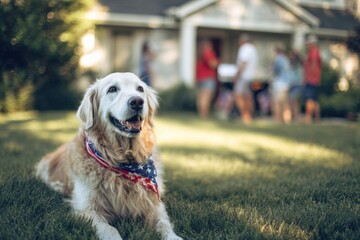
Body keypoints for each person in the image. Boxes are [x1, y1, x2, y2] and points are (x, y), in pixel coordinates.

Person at [233, 34, 257, 124]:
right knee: (248, 97)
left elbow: (243, 63)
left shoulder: (245, 48)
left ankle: (245, 115)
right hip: (250, 76)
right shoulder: (253, 49)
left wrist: (237, 75)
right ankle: (249, 116)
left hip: (244, 76)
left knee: (238, 95)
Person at [195, 39, 219, 118]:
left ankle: (201, 114)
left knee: (201, 97)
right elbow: (213, 64)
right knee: (206, 97)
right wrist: (218, 61)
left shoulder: (200, 54)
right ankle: (204, 115)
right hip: (208, 78)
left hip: (200, 78)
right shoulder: (208, 53)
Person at [304, 34, 322, 123]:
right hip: (315, 79)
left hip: (312, 79)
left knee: (309, 99)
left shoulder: (314, 51)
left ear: (312, 43)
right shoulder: (313, 52)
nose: (307, 45)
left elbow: (313, 65)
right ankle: (317, 118)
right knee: (314, 99)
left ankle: (308, 117)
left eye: (308, 44)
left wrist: (309, 77)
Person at [271, 45, 291, 124]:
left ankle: (278, 118)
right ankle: (286, 119)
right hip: (286, 83)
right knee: (285, 102)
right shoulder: (286, 59)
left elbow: (275, 70)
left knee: (278, 102)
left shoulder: (278, 59)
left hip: (280, 82)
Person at [288, 50, 303, 122]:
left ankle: (296, 117)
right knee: (291, 101)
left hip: (297, 84)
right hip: (291, 85)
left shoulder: (298, 65)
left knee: (294, 100)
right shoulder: (290, 64)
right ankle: (293, 116)